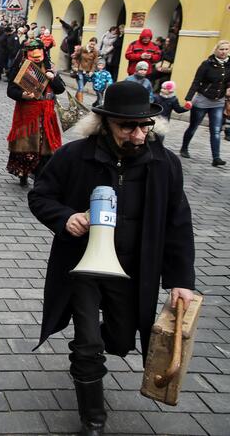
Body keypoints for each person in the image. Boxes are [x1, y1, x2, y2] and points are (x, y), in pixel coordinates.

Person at [28, 80, 195, 436]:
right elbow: (41, 195)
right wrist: (65, 218)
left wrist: (181, 280)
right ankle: (93, 417)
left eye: (144, 125)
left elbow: (178, 223)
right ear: (105, 123)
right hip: (83, 268)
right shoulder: (74, 156)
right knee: (88, 344)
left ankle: (91, 351)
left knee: (120, 340)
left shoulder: (164, 164)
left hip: (133, 269)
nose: (137, 134)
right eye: (127, 126)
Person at [6, 39, 66, 187]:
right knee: (26, 147)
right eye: (32, 53)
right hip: (28, 114)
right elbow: (11, 91)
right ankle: (24, 173)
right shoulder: (21, 68)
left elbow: (60, 89)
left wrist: (53, 79)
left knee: (46, 148)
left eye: (39, 52)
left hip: (47, 114)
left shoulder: (50, 68)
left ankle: (41, 177)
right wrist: (23, 95)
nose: (36, 56)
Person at [180, 39, 230, 167]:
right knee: (193, 127)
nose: (224, 52)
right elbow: (196, 82)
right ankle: (184, 148)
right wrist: (188, 99)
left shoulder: (229, 64)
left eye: (226, 49)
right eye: (221, 49)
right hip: (202, 100)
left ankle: (216, 157)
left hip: (218, 101)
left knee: (216, 129)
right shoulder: (207, 64)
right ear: (216, 50)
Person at [72, 37, 98, 104]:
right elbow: (75, 58)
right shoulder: (82, 48)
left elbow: (95, 63)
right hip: (79, 71)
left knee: (81, 88)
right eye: (91, 44)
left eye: (94, 45)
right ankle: (81, 104)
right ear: (89, 42)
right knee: (81, 87)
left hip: (87, 72)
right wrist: (75, 66)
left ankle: (74, 101)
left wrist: (92, 71)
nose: (92, 46)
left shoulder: (95, 51)